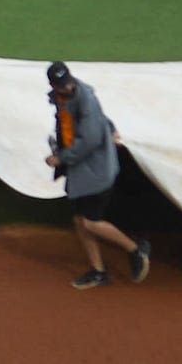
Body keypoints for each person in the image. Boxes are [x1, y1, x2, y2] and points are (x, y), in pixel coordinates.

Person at [44, 61, 149, 289]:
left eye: (66, 83)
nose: (66, 87)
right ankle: (98, 272)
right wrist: (109, 126)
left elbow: (88, 140)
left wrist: (60, 158)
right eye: (61, 84)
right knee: (80, 221)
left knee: (89, 222)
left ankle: (135, 249)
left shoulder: (85, 101)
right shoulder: (65, 98)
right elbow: (95, 120)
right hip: (82, 169)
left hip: (96, 169)